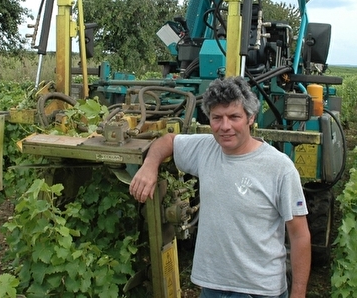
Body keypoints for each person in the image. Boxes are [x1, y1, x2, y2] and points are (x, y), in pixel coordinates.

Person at [129, 76, 311, 298]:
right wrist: (149, 166)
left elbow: (300, 235)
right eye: (217, 118)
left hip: (259, 291)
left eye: (234, 117)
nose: (225, 127)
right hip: (212, 287)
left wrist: (298, 293)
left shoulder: (279, 167)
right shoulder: (206, 148)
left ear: (251, 117)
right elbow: (167, 141)